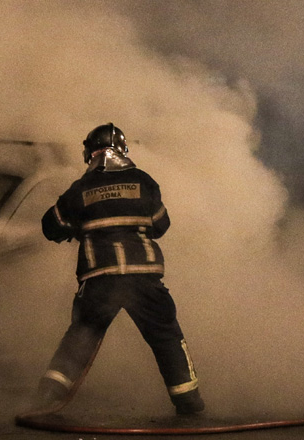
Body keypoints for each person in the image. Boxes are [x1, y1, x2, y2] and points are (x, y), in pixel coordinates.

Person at [35, 123, 205, 415]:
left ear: (90, 153)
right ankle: (188, 401)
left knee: (80, 336)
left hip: (100, 278)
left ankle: (46, 397)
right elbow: (161, 224)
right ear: (124, 150)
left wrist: (77, 226)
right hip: (144, 278)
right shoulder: (144, 182)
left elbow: (51, 227)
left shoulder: (80, 189)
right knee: (166, 336)